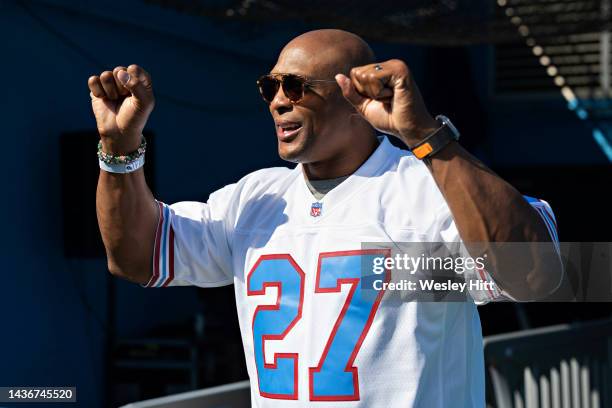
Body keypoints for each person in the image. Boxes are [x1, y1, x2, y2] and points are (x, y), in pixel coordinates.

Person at [89, 29, 563, 407]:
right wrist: (119, 148)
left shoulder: (424, 188)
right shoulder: (257, 198)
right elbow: (137, 257)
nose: (278, 101)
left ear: (357, 99)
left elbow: (534, 274)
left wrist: (425, 135)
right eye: (270, 86)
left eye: (296, 87)